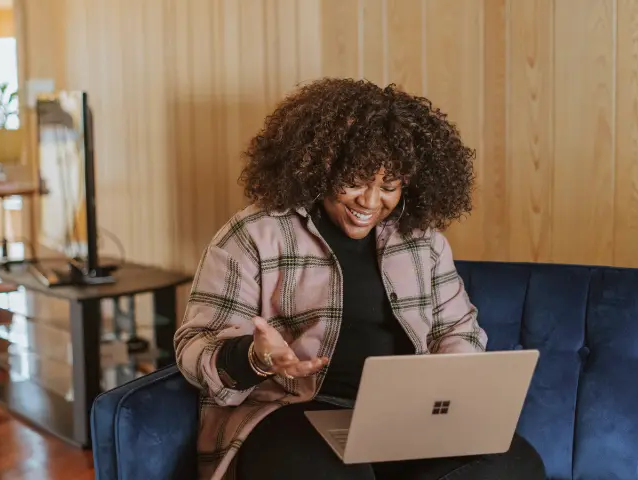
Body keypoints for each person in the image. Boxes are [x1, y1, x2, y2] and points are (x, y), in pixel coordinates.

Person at [174, 78, 546, 480]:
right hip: (291, 413)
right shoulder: (254, 234)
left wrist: (451, 380)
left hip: (403, 419)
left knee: (516, 464)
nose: (370, 202)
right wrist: (255, 357)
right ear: (320, 168)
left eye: (388, 187)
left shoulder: (424, 242)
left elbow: (457, 329)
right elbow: (194, 346)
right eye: (354, 181)